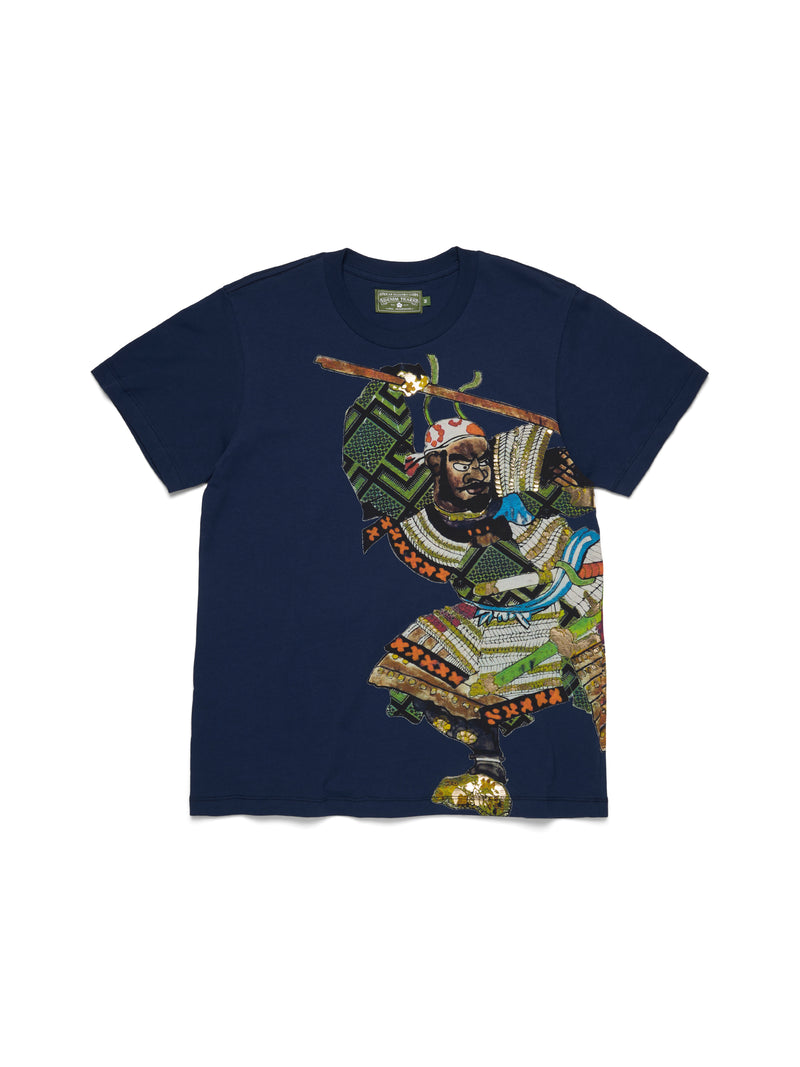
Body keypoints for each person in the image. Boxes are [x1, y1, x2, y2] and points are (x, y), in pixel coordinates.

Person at [342, 362, 606, 816]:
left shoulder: (522, 490)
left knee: (595, 688)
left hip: (568, 605)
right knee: (415, 662)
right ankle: (487, 769)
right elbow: (370, 456)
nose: (476, 472)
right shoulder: (413, 510)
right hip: (488, 618)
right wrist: (389, 388)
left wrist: (575, 471)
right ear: (433, 464)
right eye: (461, 462)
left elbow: (577, 485)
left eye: (482, 462)